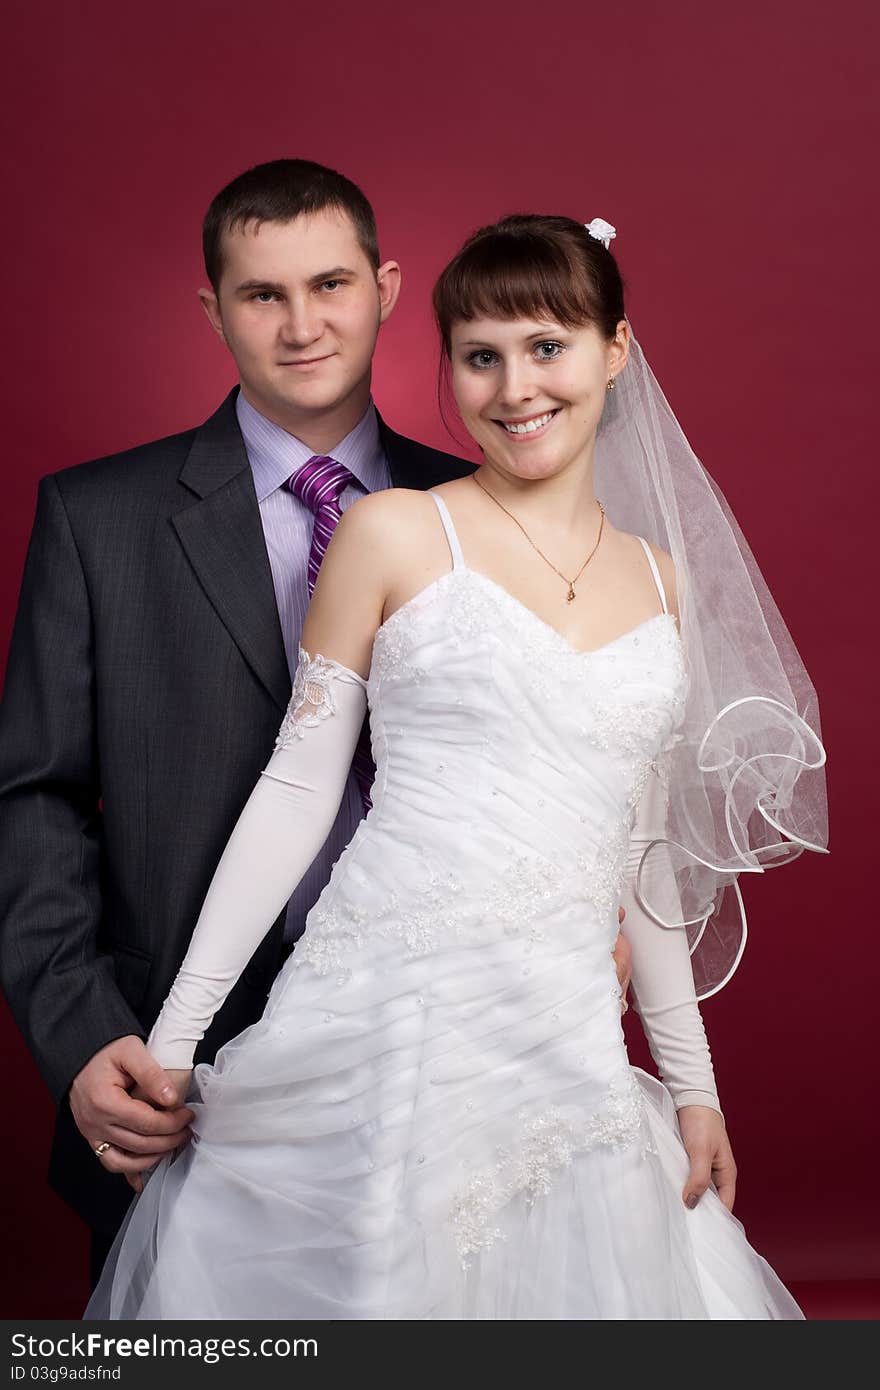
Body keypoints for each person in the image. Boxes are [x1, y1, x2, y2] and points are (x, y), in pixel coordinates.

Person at [84, 212, 828, 1319]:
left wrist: (695, 1088)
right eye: (480, 356)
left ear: (613, 351)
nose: (514, 386)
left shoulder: (663, 583)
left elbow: (646, 857)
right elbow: (294, 795)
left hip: (562, 1037)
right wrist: (179, 1040)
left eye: (546, 347)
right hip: (383, 1015)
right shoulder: (392, 532)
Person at [3, 158, 602, 1293]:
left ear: (384, 288)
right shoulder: (99, 518)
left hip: (450, 1038)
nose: (300, 325)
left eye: (328, 284)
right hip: (177, 1059)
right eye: (260, 294)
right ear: (211, 310)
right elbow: (31, 797)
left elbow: (560, 752)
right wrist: (82, 1033)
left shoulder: (486, 505)